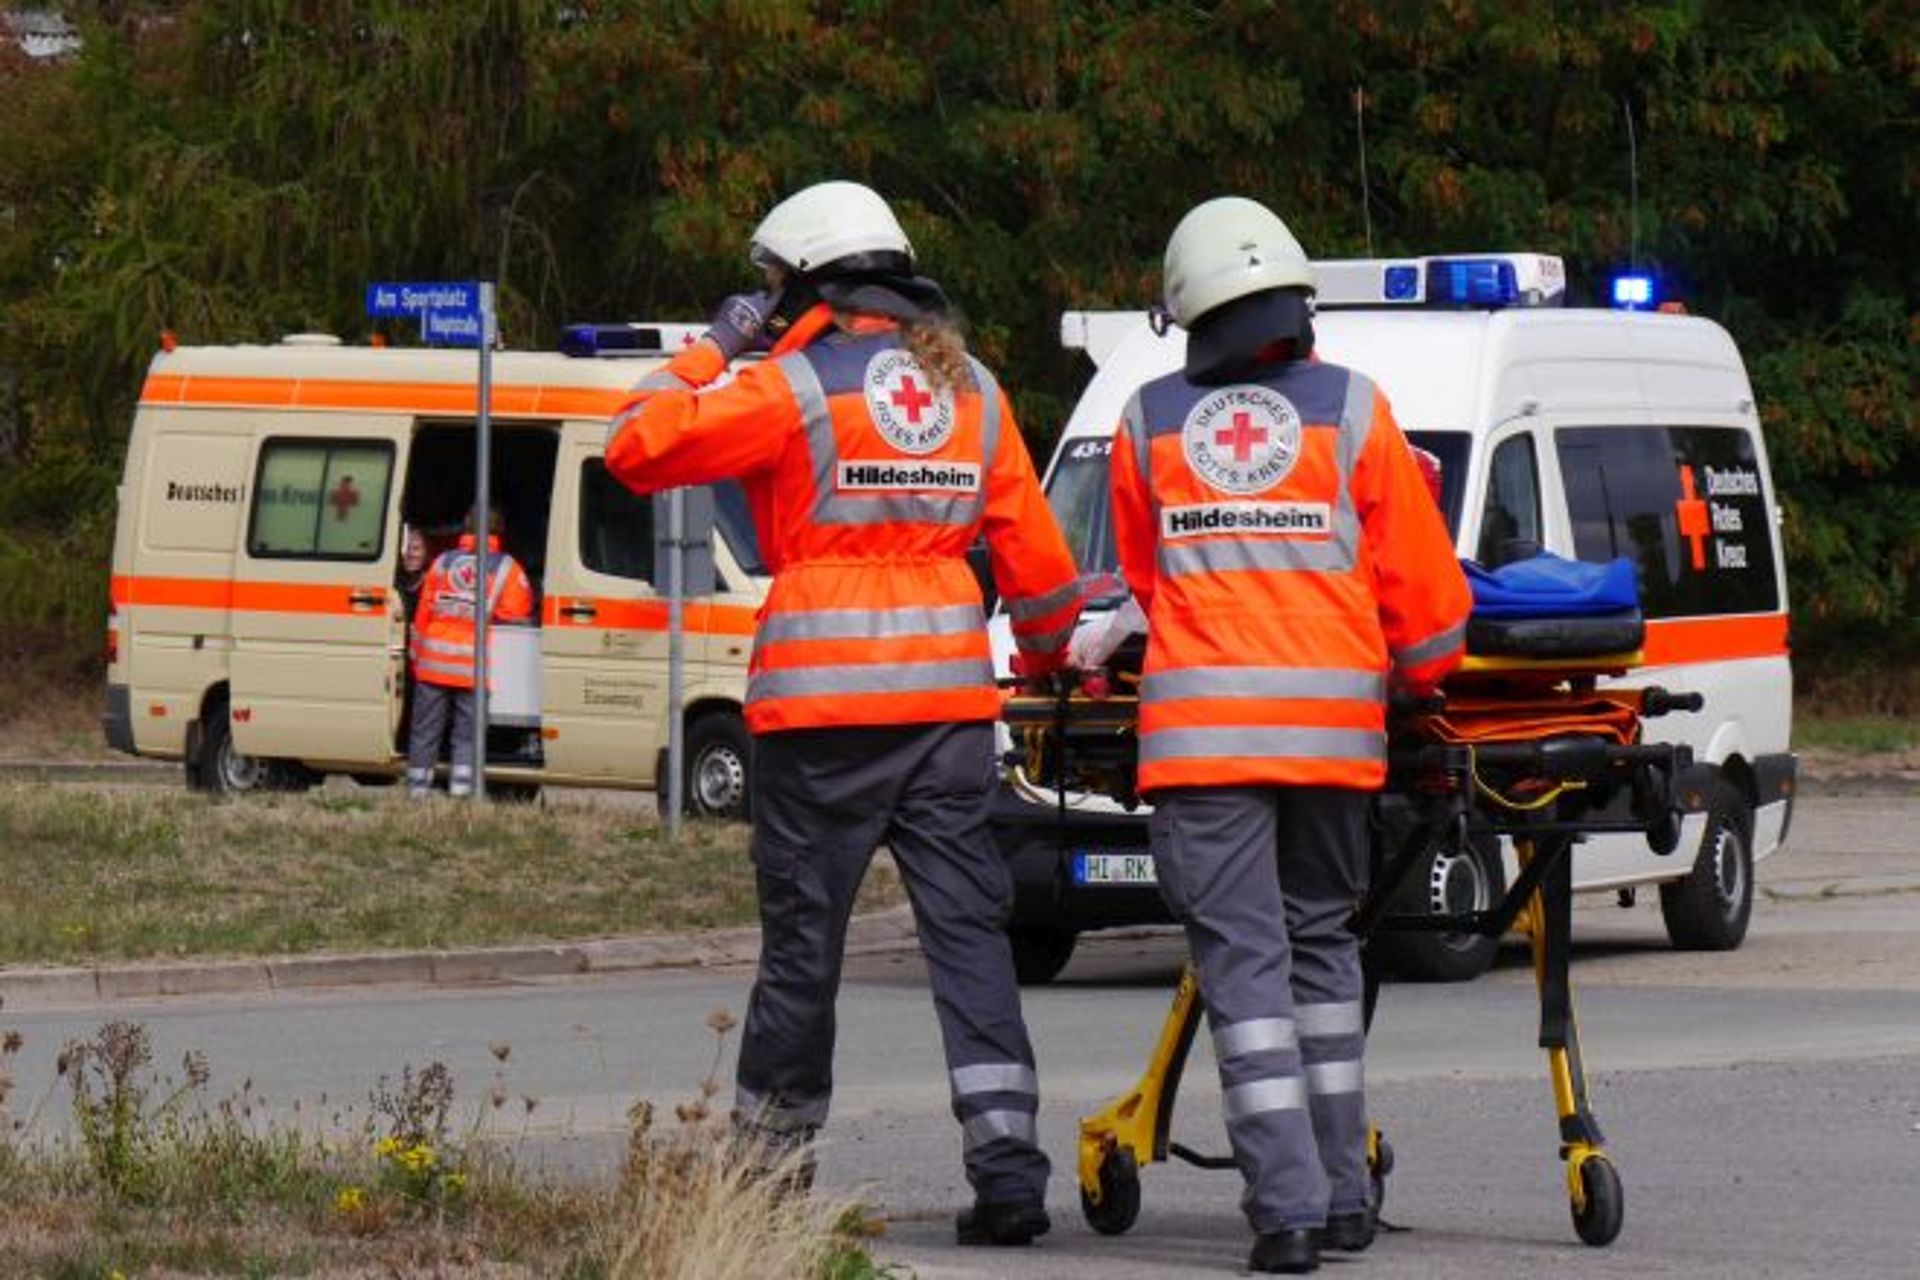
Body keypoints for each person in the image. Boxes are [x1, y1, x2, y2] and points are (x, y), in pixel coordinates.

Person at [604, 180, 1083, 1247]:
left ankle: (772, 1188)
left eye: (772, 285)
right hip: (950, 712)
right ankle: (1009, 1171)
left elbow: (634, 444)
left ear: (810, 281)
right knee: (971, 943)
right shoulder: (975, 390)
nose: (765, 302)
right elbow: (1040, 570)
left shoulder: (788, 386)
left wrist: (709, 347)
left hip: (822, 718)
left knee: (804, 952)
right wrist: (1051, 656)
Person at [1105, 196, 1471, 1274]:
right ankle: (1341, 1194)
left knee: (1246, 971)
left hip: (1205, 743)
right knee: (1320, 948)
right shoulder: (1357, 409)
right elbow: (1431, 605)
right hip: (1334, 743)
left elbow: (1140, 577)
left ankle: (1289, 1212)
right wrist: (1413, 676)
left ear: (1187, 311)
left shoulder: (1145, 420)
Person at [407, 508, 534, 798]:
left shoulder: (442, 563)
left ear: (465, 529)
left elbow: (423, 613)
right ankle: (461, 794)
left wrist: (416, 657)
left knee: (425, 732)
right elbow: (517, 611)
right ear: (498, 530)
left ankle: (416, 792)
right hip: (471, 667)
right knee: (467, 735)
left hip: (433, 664)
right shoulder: (506, 568)